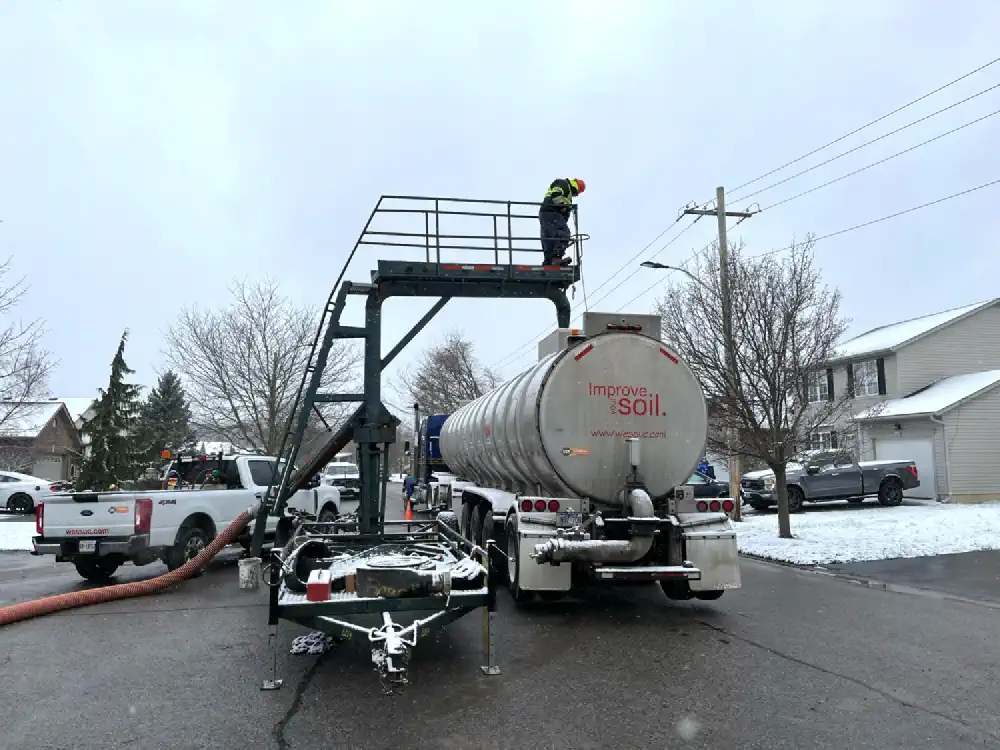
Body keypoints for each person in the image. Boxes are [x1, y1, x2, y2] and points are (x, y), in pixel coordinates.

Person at [539, 177, 585, 266]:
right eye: (579, 192)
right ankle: (556, 258)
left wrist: (566, 209)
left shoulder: (566, 189)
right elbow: (556, 196)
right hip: (552, 212)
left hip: (545, 213)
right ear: (577, 187)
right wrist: (565, 207)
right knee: (564, 233)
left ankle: (548, 262)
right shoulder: (564, 184)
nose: (577, 194)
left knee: (549, 238)